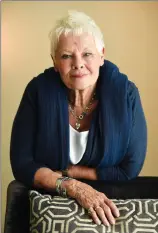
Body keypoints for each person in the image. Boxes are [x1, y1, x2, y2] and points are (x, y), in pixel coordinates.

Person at [10, 10, 147, 227]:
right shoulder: (37, 91)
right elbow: (22, 164)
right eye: (66, 56)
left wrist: (71, 172)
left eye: (87, 54)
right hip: (50, 209)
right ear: (55, 61)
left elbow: (129, 168)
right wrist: (72, 186)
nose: (78, 64)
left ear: (102, 55)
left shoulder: (126, 94)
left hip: (109, 210)